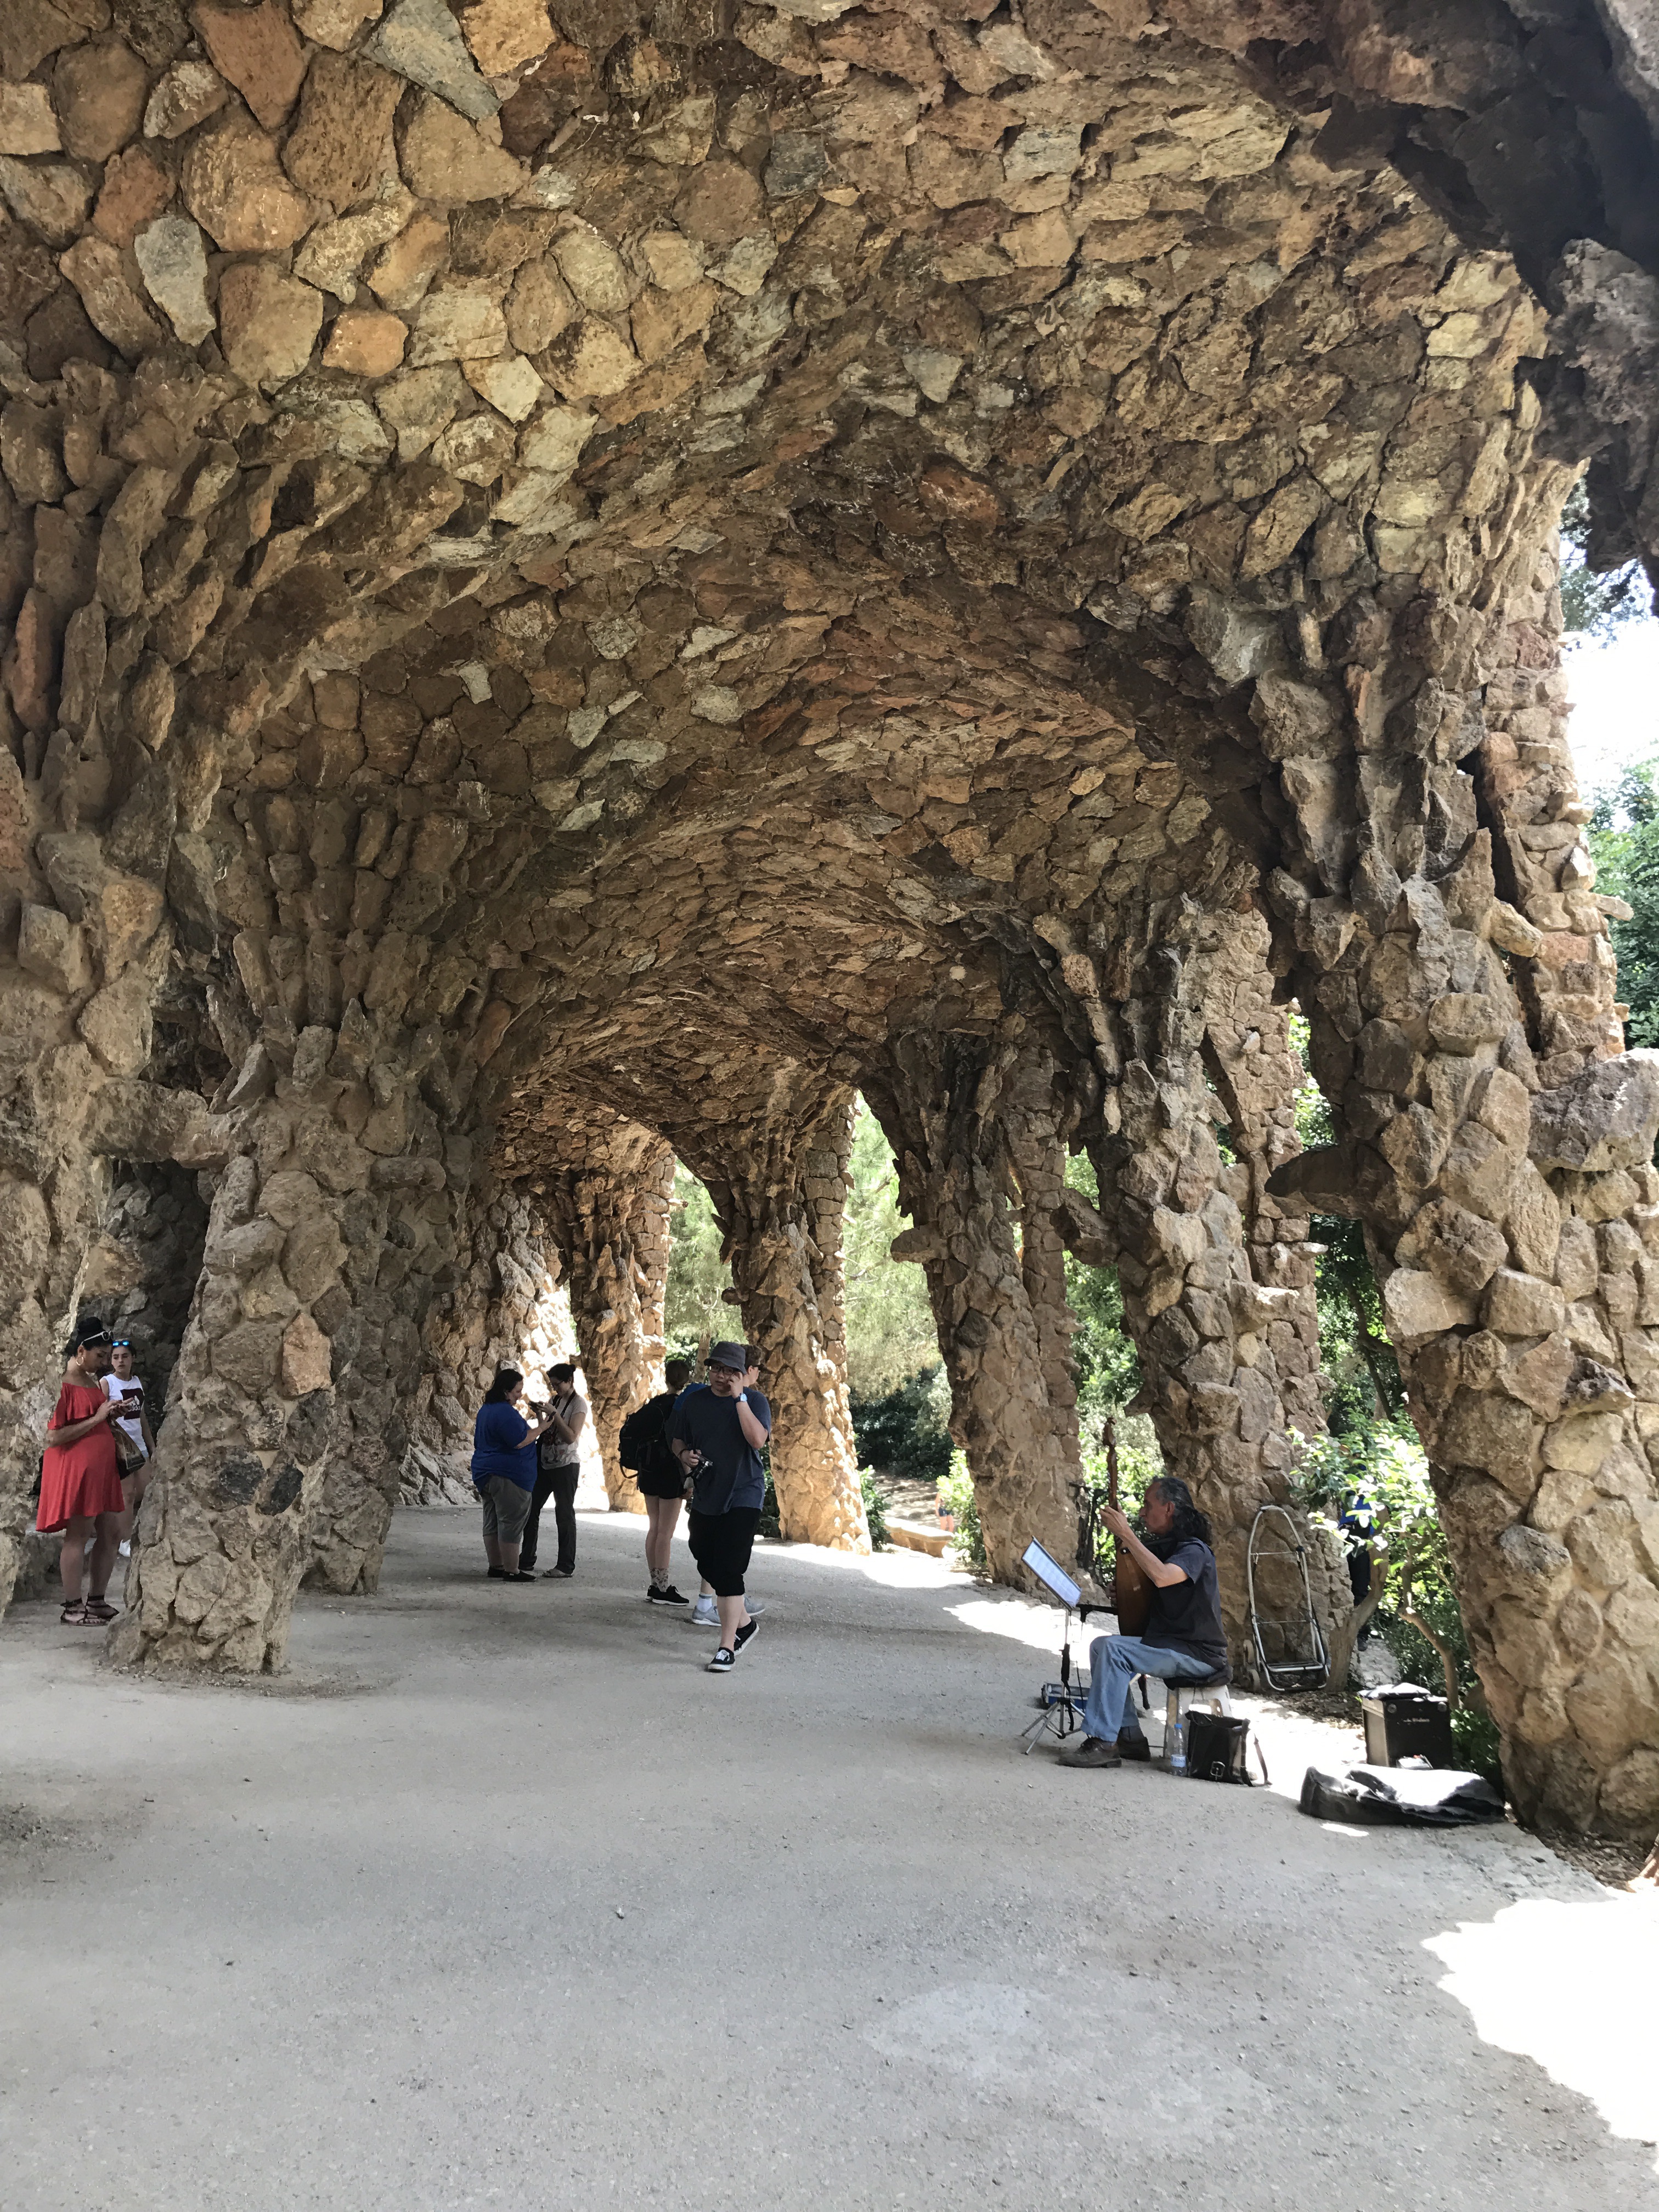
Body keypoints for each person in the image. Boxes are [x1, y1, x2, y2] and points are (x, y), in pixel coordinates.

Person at [1060, 1474, 1229, 1769]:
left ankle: (1103, 1742)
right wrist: (1127, 1590)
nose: (1142, 1512)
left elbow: (1163, 1577)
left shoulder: (1195, 1550)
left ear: (1169, 1509)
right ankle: (1130, 1738)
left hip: (1198, 1654)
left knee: (1113, 1649)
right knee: (1101, 1646)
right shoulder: (1170, 1548)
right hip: (1173, 1645)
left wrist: (1126, 1533)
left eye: (1148, 1505)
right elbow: (1156, 1590)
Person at [668, 1341, 771, 1673]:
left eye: (730, 1371)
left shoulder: (755, 1401)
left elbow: (757, 1440)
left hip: (744, 1494)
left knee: (728, 1569)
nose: (721, 1376)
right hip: (707, 1493)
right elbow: (678, 1439)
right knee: (703, 1554)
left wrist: (740, 1399)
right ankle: (745, 1623)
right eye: (716, 1369)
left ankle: (726, 1647)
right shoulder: (695, 1401)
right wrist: (684, 1455)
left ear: (742, 1374)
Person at [37, 1327, 126, 1626]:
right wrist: (97, 1418)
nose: (105, 1362)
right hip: (77, 1471)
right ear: (80, 1351)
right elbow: (53, 1436)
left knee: (112, 1533)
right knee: (78, 1535)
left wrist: (108, 1415)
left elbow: (93, 1419)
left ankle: (96, 1600)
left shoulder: (90, 1380)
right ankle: (72, 1607)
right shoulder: (62, 1384)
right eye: (100, 1356)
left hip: (101, 1470)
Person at [470, 1368, 554, 1582]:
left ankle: (496, 1566)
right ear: (506, 1391)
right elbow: (519, 1441)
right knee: (511, 1521)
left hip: (485, 1472)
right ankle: (511, 1569)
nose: (520, 1395)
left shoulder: (486, 1410)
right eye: (517, 1391)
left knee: (492, 1520)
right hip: (509, 1475)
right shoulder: (504, 1412)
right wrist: (542, 1428)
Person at [623, 1356, 693, 1604]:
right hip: (671, 1473)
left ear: (666, 1377)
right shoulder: (682, 1408)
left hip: (649, 1471)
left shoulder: (655, 1404)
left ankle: (655, 1584)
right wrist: (689, 1479)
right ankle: (663, 1588)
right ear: (687, 1379)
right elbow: (681, 1445)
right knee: (666, 1532)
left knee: (654, 1528)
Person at [521, 1362, 587, 1578]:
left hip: (566, 1465)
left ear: (569, 1381)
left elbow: (571, 1437)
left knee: (564, 1514)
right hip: (546, 1463)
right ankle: (526, 1559)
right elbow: (548, 1429)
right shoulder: (555, 1400)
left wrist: (555, 1414)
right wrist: (541, 1415)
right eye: (553, 1385)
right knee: (531, 1509)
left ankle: (565, 1566)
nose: (555, 1388)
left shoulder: (579, 1404)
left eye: (558, 1384)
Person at [103, 1339, 156, 1558]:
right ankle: (124, 1541)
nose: (120, 1361)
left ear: (133, 1358)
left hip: (139, 1444)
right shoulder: (107, 1383)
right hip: (120, 1446)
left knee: (147, 1489)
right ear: (111, 1361)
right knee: (127, 1494)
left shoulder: (136, 1382)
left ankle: (122, 1528)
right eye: (116, 1357)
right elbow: (99, 1415)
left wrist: (152, 1446)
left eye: (125, 1356)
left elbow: (141, 1417)